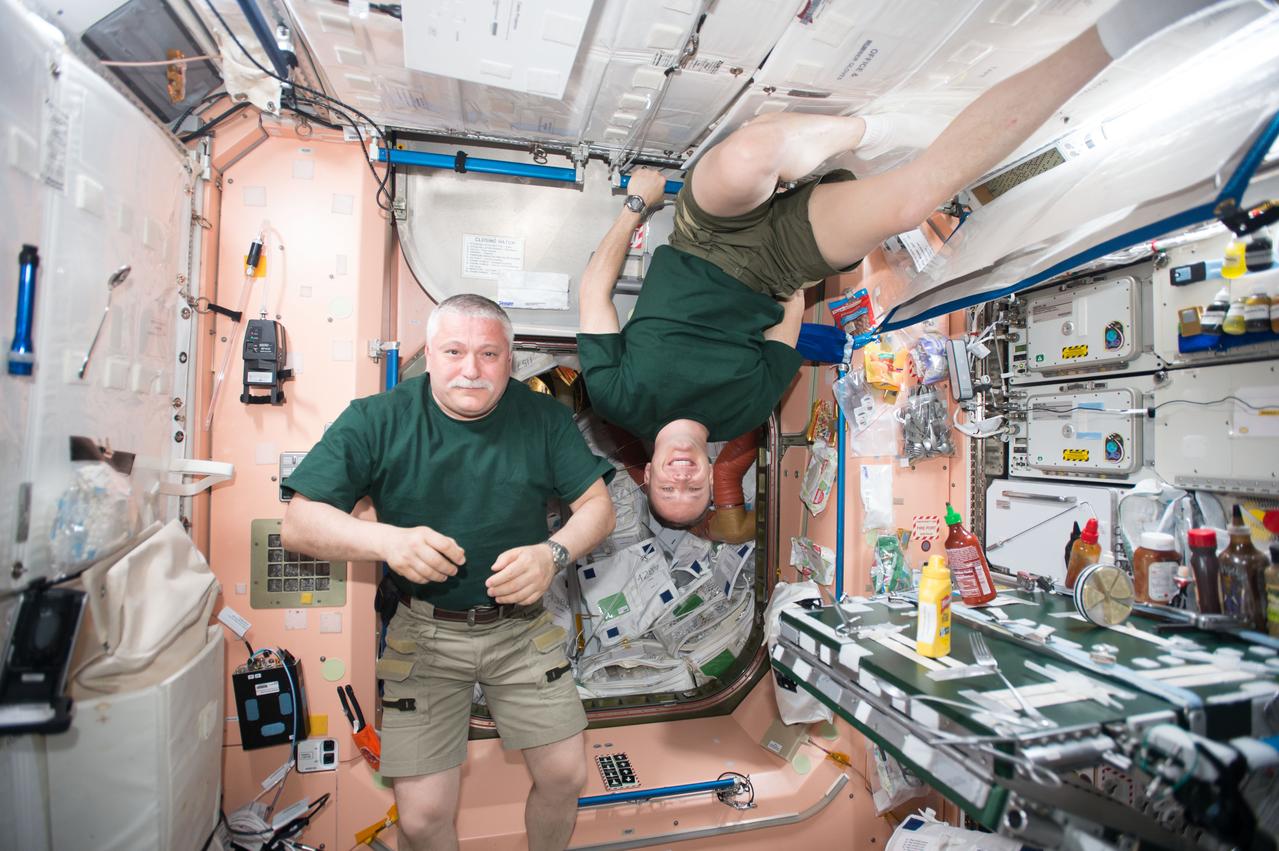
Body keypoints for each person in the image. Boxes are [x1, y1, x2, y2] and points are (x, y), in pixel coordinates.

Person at [576, 0, 1208, 527]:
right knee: (912, 202)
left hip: (700, 235)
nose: (682, 481)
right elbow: (783, 332)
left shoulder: (617, 399)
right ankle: (1120, 32)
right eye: (693, 495)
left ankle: (857, 133)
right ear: (713, 476)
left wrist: (639, 204)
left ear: (650, 473)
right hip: (779, 265)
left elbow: (595, 295)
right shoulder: (742, 414)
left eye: (669, 490)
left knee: (746, 160)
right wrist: (799, 273)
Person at [280, 294, 615, 851]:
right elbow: (298, 524)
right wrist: (385, 540)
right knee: (420, 817)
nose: (471, 369)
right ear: (430, 355)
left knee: (565, 776)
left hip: (521, 629)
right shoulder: (376, 419)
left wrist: (551, 555)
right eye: (455, 351)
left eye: (489, 354)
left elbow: (598, 509)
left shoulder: (543, 419)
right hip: (424, 633)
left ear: (510, 359)